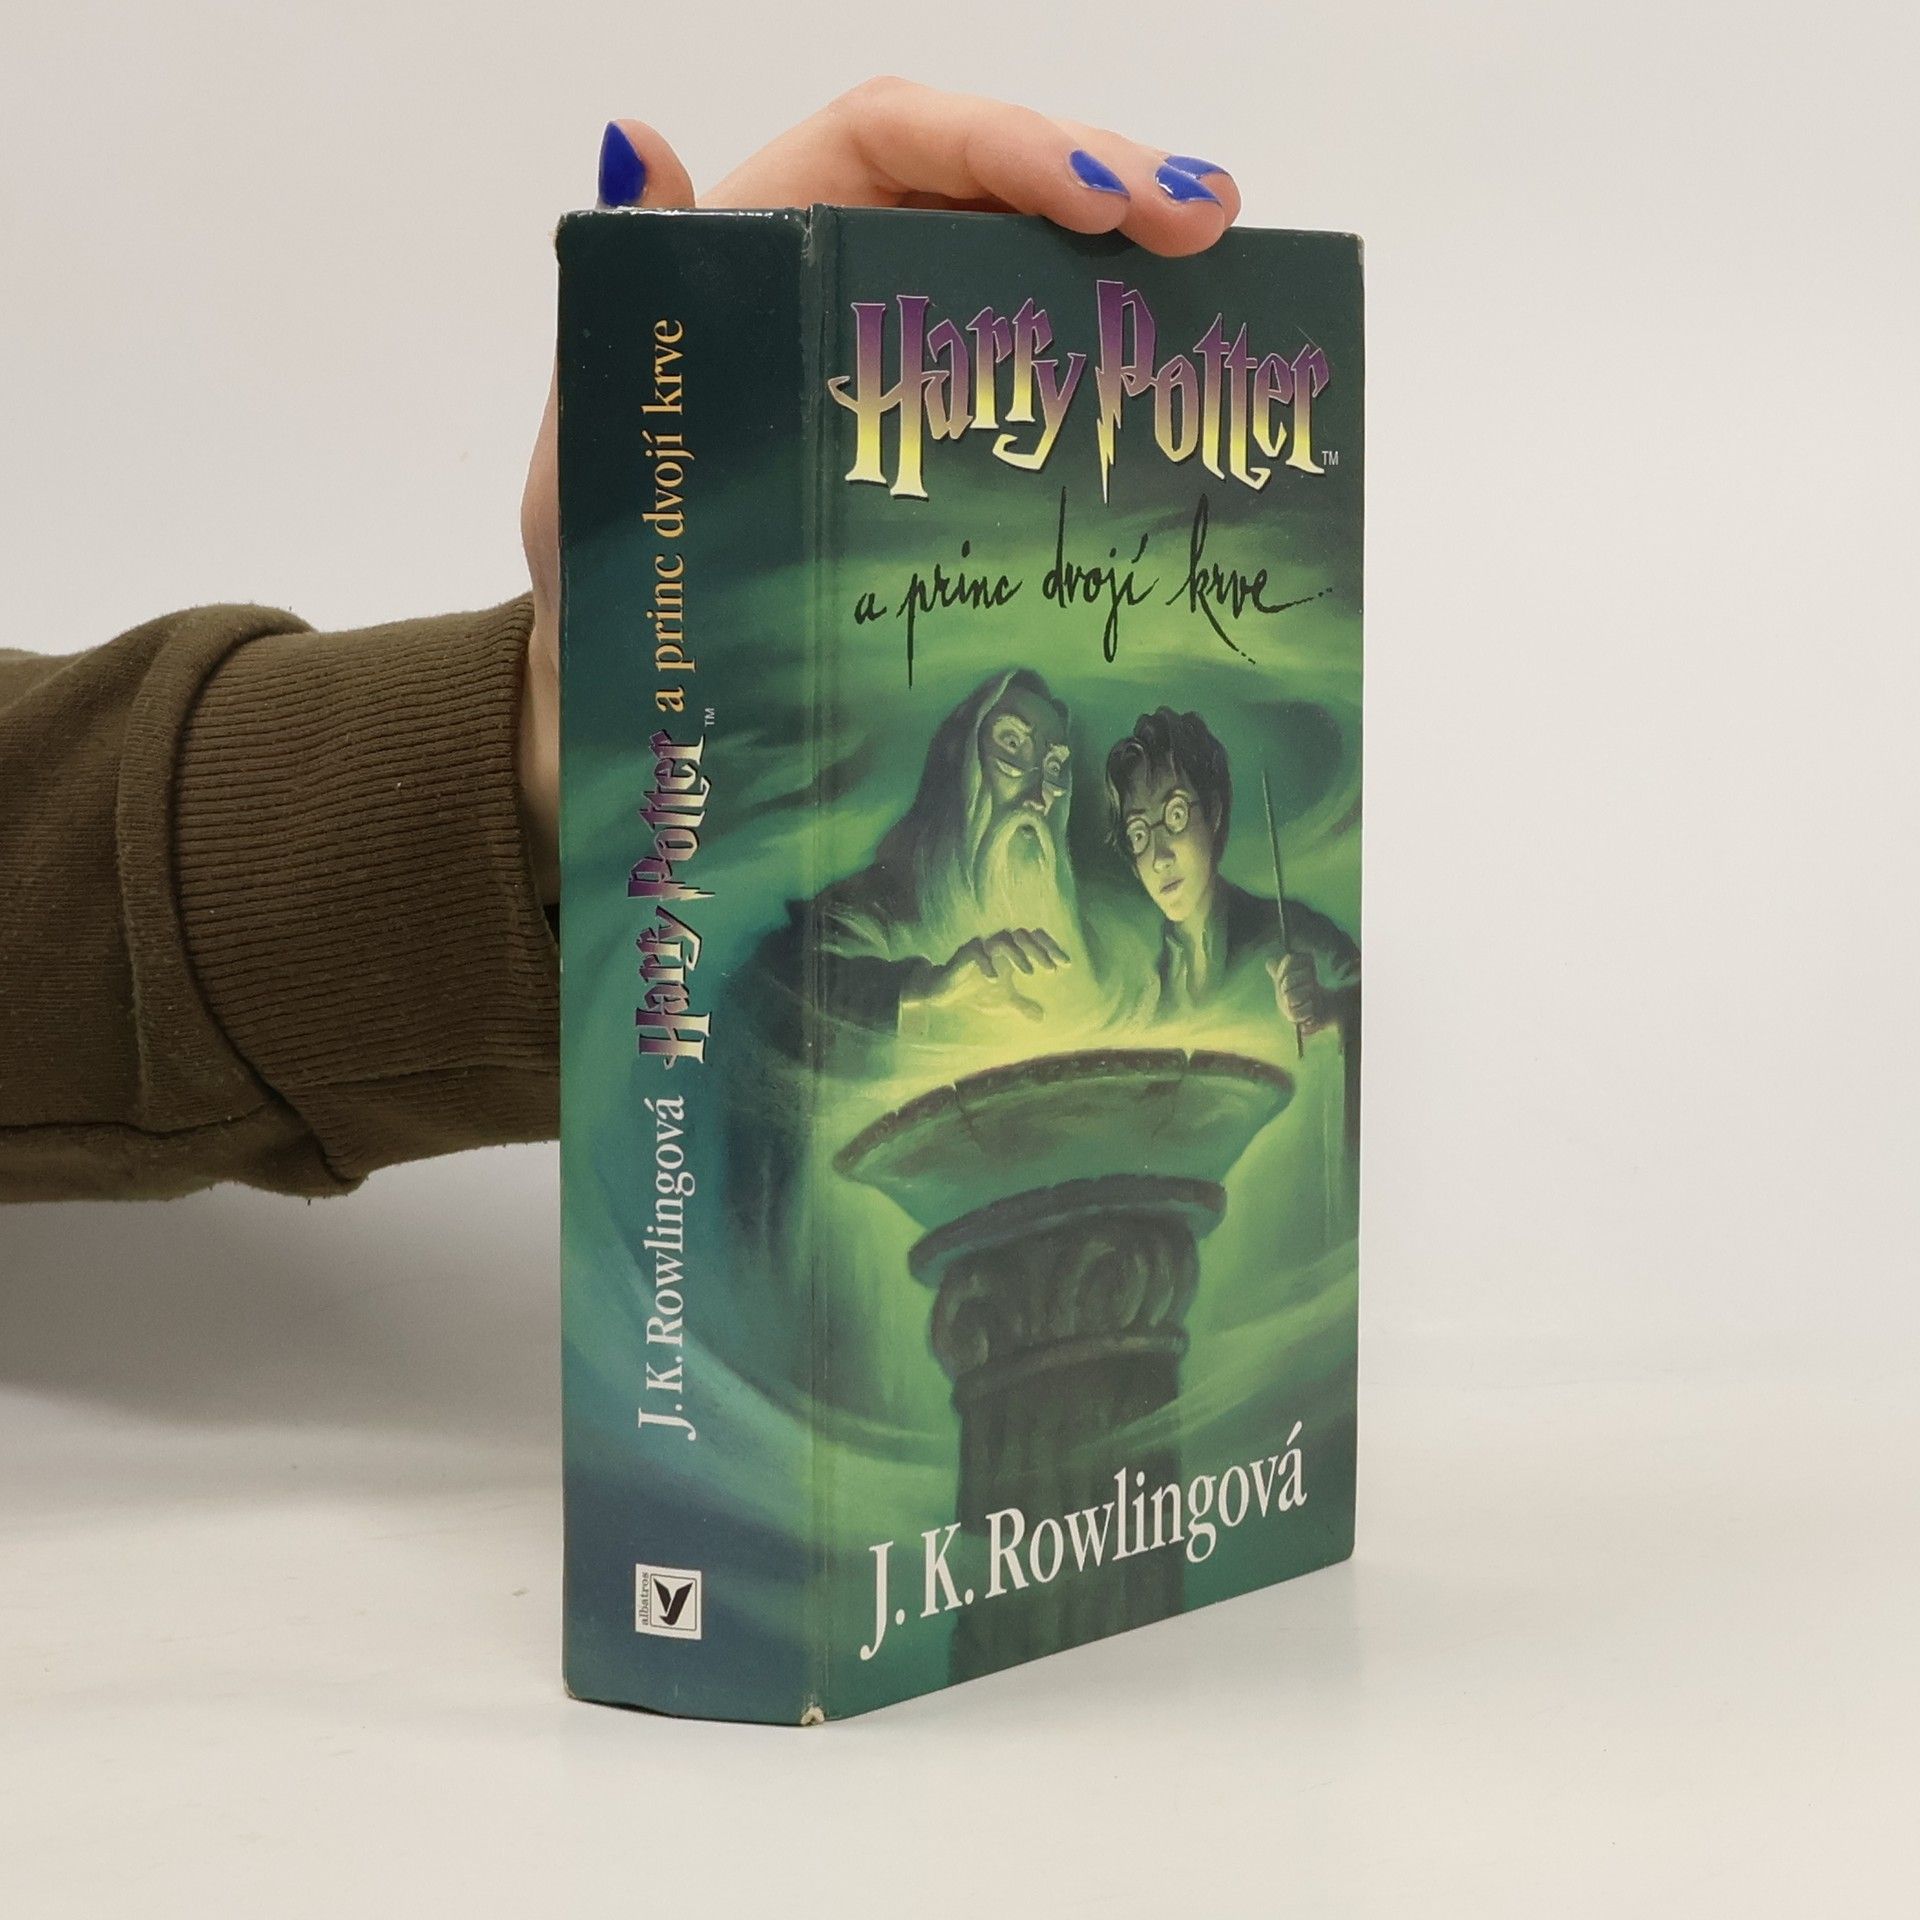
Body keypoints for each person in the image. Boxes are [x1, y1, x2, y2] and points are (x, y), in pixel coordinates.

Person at [0, 84, 1240, 1205]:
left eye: (1054, 767)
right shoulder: (865, 923)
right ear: (957, 767)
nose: (1041, 791)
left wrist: (566, 740)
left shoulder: (1132, 933)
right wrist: (923, 990)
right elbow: (771, 997)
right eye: (1013, 756)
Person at [1103, 705, 1361, 1137]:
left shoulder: (1294, 932)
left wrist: (1326, 1008)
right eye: (1140, 834)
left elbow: (1379, 1008)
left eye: (1176, 815)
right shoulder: (1147, 988)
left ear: (1214, 811)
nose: (1160, 856)